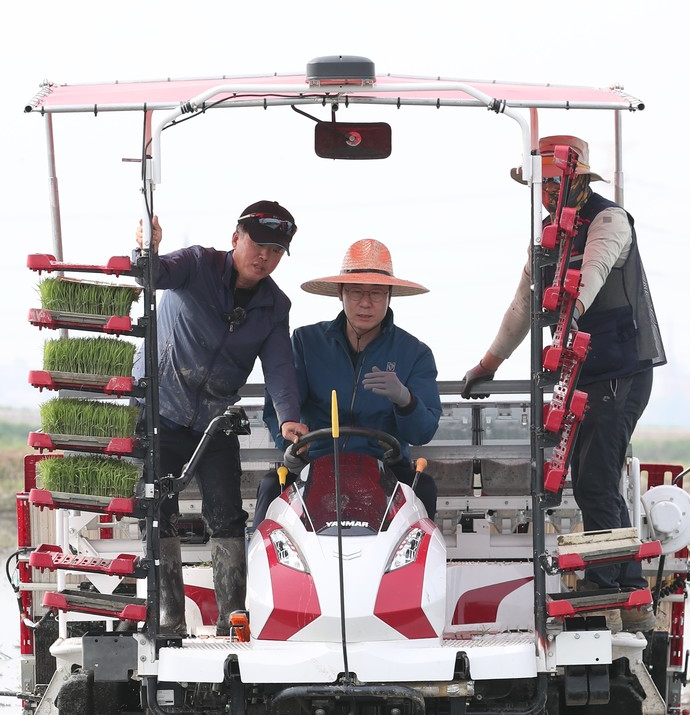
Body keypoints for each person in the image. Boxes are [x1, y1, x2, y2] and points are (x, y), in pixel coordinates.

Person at [461, 135, 666, 633]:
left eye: (555, 182)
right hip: (582, 374)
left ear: (576, 180)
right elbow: (521, 307)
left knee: (596, 478)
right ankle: (623, 582)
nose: (549, 193)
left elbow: (589, 277)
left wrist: (567, 323)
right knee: (593, 477)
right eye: (543, 185)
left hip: (617, 371)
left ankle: (610, 584)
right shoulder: (548, 239)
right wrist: (489, 363)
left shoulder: (609, 221)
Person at [134, 200, 308, 636]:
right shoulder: (195, 265)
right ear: (236, 238)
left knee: (228, 516)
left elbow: (280, 367)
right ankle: (170, 618)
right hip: (159, 412)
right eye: (258, 244)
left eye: (277, 250)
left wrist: (289, 418)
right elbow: (152, 275)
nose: (265, 256)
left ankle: (233, 620)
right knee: (157, 510)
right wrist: (147, 249)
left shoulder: (274, 306)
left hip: (214, 419)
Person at [255, 238, 442, 525]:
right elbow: (280, 405)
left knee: (424, 488)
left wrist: (405, 400)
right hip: (314, 465)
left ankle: (416, 570)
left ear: (390, 295)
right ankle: (260, 570)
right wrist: (289, 444)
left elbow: (422, 433)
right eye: (356, 292)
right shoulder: (306, 343)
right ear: (340, 293)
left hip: (385, 471)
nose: (365, 303)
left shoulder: (415, 353)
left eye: (377, 293)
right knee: (271, 486)